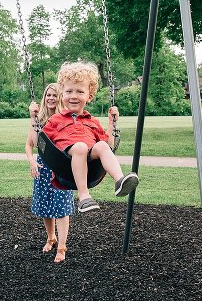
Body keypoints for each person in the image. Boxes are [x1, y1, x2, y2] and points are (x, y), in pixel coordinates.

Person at [42, 61, 139, 221]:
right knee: (80, 147)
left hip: (90, 165)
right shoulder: (55, 120)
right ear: (62, 94)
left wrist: (111, 123)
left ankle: (120, 181)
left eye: (80, 91)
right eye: (69, 91)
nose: (74, 96)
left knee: (100, 145)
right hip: (65, 164)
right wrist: (34, 119)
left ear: (90, 96)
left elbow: (108, 145)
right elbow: (42, 143)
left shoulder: (92, 121)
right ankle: (84, 196)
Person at [26, 83, 75, 263]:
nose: (51, 98)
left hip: (61, 167)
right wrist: (32, 160)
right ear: (44, 97)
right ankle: (51, 238)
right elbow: (30, 144)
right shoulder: (38, 119)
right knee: (46, 206)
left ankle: (62, 247)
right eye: (48, 95)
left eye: (55, 95)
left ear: (60, 97)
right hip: (43, 166)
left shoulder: (66, 117)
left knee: (61, 207)